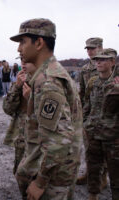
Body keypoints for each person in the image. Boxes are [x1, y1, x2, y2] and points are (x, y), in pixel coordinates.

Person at [10, 18, 82, 200]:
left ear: (39, 42)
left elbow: (59, 140)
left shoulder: (47, 82)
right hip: (59, 169)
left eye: (23, 42)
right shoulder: (53, 72)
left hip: (52, 178)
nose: (19, 49)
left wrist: (40, 182)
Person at [83, 48, 119, 200]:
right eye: (97, 59)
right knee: (93, 169)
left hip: (112, 137)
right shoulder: (93, 82)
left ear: (113, 62)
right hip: (93, 134)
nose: (98, 62)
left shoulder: (117, 85)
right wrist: (85, 123)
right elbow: (87, 104)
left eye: (103, 59)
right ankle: (93, 196)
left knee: (116, 173)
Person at [77, 37, 108, 186]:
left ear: (101, 48)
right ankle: (90, 173)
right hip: (89, 114)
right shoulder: (85, 69)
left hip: (107, 113)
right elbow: (81, 93)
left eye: (92, 48)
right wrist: (81, 113)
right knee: (89, 146)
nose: (89, 51)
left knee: (106, 147)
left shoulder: (110, 66)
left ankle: (103, 177)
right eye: (88, 49)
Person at [3, 61, 35, 177]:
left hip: (41, 139)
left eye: (27, 60)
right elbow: (7, 109)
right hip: (22, 137)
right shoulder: (20, 82)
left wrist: (32, 98)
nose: (23, 63)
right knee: (21, 174)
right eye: (22, 60)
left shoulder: (47, 81)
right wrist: (17, 86)